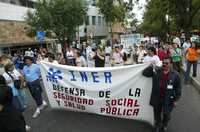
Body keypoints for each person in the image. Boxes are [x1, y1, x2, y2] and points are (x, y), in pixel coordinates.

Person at [143, 57, 182, 132]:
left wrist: (176, 100)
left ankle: (164, 124)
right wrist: (150, 66)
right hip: (157, 97)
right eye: (163, 63)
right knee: (157, 113)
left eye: (166, 63)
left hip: (169, 98)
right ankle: (158, 124)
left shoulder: (175, 75)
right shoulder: (157, 71)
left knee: (167, 114)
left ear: (171, 64)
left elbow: (178, 88)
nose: (164, 64)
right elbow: (145, 73)